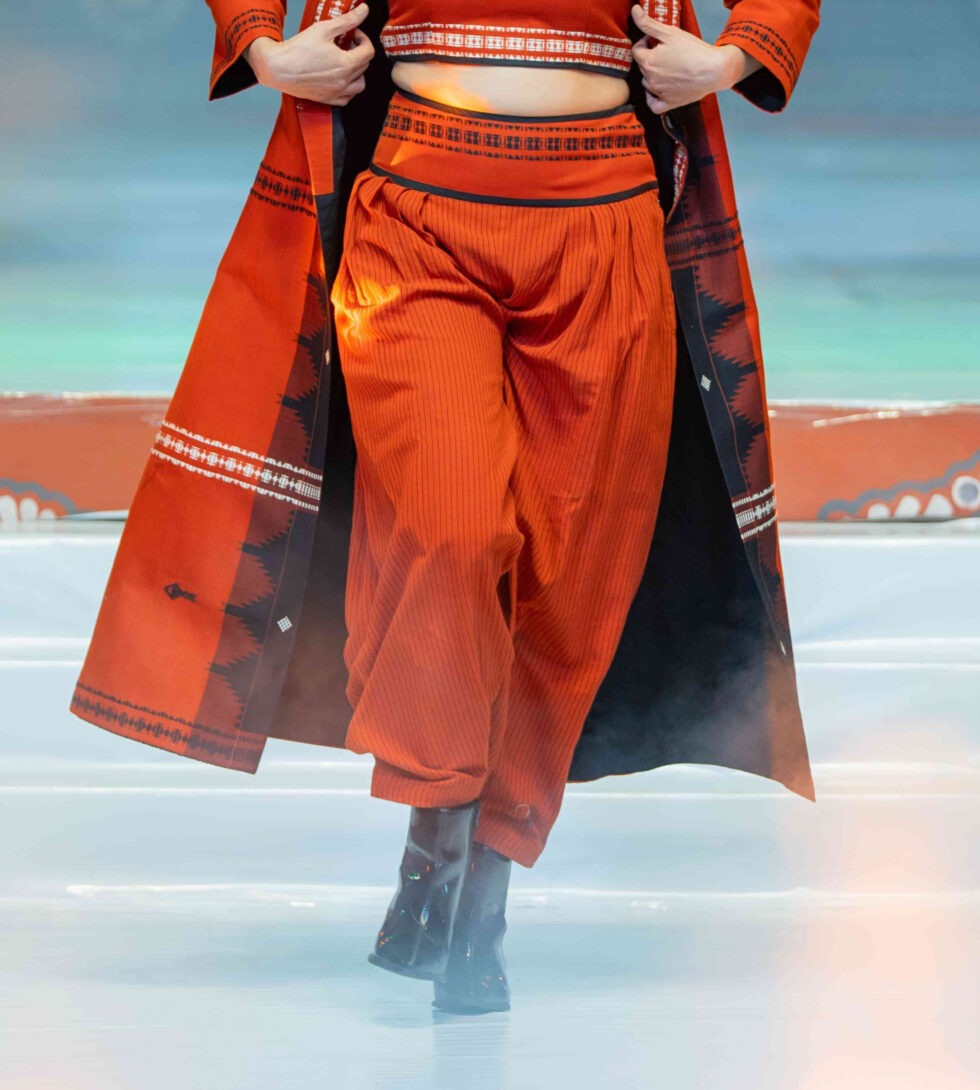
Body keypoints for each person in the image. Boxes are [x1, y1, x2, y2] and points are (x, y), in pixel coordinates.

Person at [69, 0, 819, 1018]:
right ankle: (438, 832)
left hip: (607, 219)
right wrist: (264, 47)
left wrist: (727, 61)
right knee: (449, 529)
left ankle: (476, 896)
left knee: (567, 580)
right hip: (416, 215)